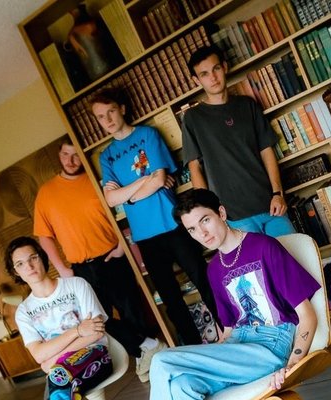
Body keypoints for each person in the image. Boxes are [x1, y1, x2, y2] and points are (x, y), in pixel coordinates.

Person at [126, 189, 320, 400]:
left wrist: (291, 364)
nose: (201, 233)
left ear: (222, 213)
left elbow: (307, 315)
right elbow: (228, 331)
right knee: (182, 386)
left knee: (162, 361)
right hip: (238, 347)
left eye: (205, 220)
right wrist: (211, 358)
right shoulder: (214, 269)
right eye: (192, 229)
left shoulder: (264, 247)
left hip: (271, 346)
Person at [91, 88, 218, 346]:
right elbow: (111, 199)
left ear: (122, 109)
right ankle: (194, 349)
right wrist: (144, 181)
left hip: (172, 224)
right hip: (144, 237)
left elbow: (160, 179)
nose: (108, 120)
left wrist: (129, 194)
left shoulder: (147, 135)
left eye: (111, 111)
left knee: (204, 281)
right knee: (171, 299)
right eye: (101, 117)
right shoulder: (107, 156)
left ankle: (230, 331)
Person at [34, 138, 166, 382]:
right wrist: (62, 269)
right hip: (79, 269)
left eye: (75, 154)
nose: (71, 160)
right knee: (97, 321)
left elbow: (124, 208)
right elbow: (44, 237)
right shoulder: (46, 193)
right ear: (59, 155)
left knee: (132, 310)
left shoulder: (99, 182)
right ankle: (148, 346)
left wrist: (121, 246)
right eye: (65, 154)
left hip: (112, 257)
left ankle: (146, 359)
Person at [4, 236, 124, 400]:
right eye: (20, 264)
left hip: (96, 357)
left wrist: (52, 354)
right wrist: (77, 330)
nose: (29, 266)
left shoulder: (75, 285)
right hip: (65, 375)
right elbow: (38, 354)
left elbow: (96, 333)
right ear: (15, 271)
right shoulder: (24, 311)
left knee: (57, 376)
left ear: (42, 257)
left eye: (33, 258)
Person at [181, 45, 295, 237]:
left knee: (294, 253)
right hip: (233, 216)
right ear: (196, 80)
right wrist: (210, 213)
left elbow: (266, 150)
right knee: (255, 259)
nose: (213, 77)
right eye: (204, 74)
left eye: (216, 68)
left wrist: (277, 193)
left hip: (270, 205)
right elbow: (195, 168)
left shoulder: (247, 105)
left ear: (225, 67)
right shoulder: (193, 118)